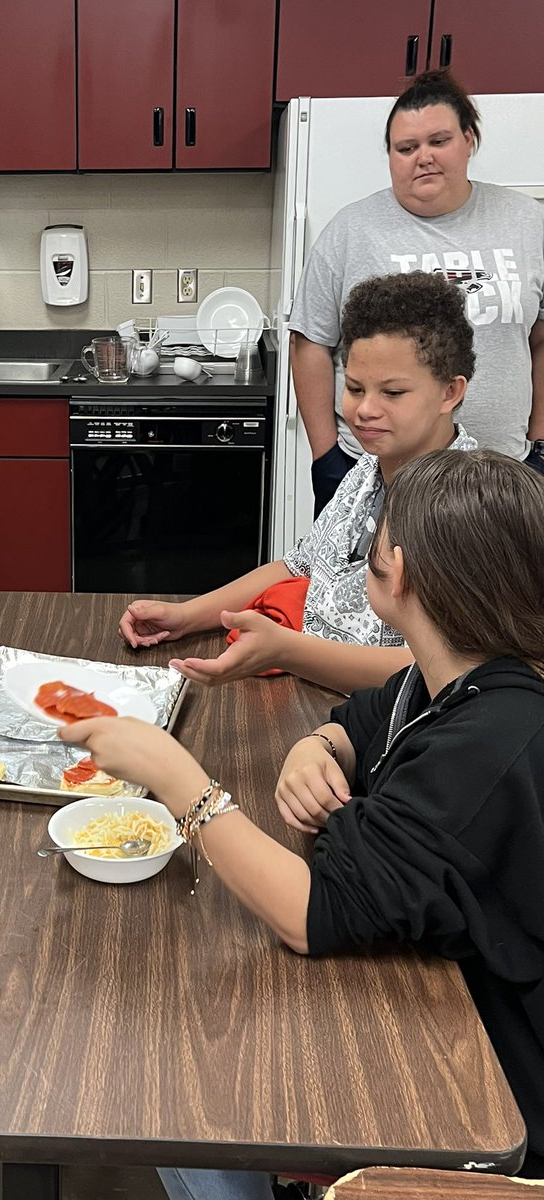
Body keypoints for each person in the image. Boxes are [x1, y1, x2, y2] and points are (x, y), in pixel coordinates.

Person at [67, 448, 544, 1190]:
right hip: (436, 992)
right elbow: (362, 715)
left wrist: (170, 772)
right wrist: (317, 745)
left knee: (168, 1090)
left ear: (405, 573)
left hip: (490, 1089)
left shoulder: (489, 749)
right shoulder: (455, 672)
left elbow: (311, 913)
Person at [120, 271, 476, 695]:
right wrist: (187, 616)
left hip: (388, 731)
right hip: (319, 696)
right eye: (355, 388)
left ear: (450, 393)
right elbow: (296, 566)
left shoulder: (466, 507)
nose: (365, 410)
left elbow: (445, 671)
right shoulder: (368, 470)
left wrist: (287, 651)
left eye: (393, 393)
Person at [290, 69, 544, 514]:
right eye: (406, 148)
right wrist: (326, 458)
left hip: (503, 478)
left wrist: (540, 442)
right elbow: (310, 340)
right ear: (390, 156)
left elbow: (541, 340)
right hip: (378, 478)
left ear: (468, 139)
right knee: (366, 584)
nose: (422, 157)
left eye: (438, 141)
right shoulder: (352, 231)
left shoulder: (529, 224)